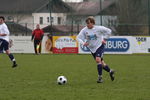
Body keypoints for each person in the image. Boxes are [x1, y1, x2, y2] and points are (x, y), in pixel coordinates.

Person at [77, 17, 115, 83]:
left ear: (92, 23)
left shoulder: (99, 28)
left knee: (98, 60)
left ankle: (100, 78)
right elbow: (78, 38)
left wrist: (105, 39)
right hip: (92, 49)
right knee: (102, 63)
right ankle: (110, 71)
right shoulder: (84, 30)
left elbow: (109, 31)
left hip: (99, 46)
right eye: (87, 23)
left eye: (89, 23)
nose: (87, 25)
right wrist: (83, 43)